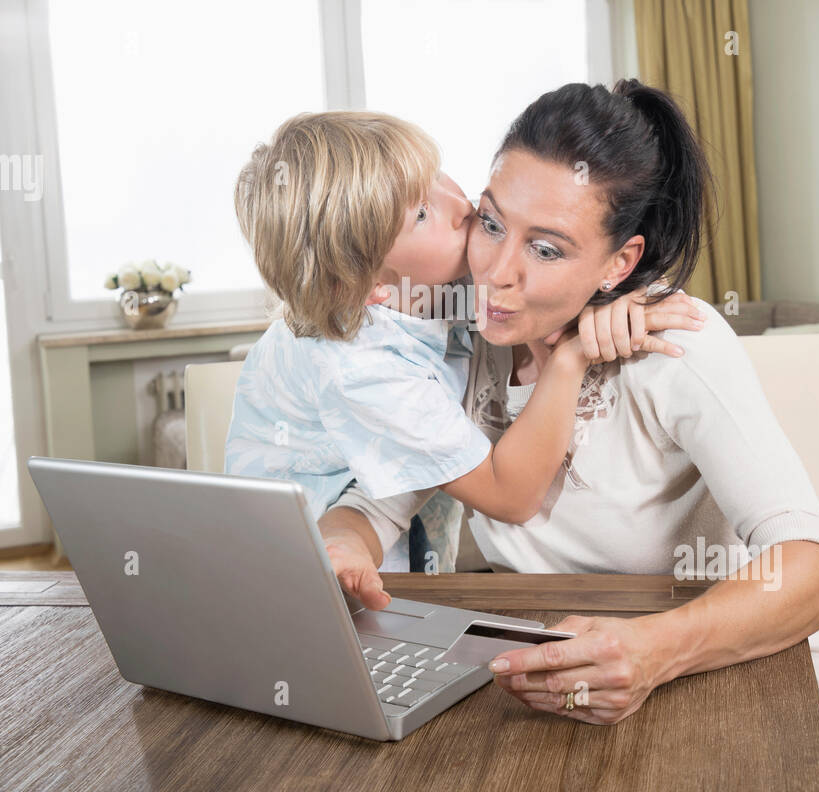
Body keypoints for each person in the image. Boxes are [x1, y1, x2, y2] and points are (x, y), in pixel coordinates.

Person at [319, 80, 819, 792]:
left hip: (777, 697)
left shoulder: (677, 343)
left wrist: (653, 648)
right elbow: (377, 499)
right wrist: (341, 543)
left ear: (620, 262)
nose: (496, 274)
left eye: (546, 249)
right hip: (574, 698)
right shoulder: (459, 342)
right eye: (492, 223)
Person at [225, 108, 703, 592]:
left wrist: (618, 291)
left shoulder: (429, 280)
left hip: (394, 502)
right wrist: (571, 356)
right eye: (420, 214)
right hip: (311, 562)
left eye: (435, 175)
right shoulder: (362, 369)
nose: (460, 203)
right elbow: (510, 495)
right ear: (370, 287)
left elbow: (565, 260)